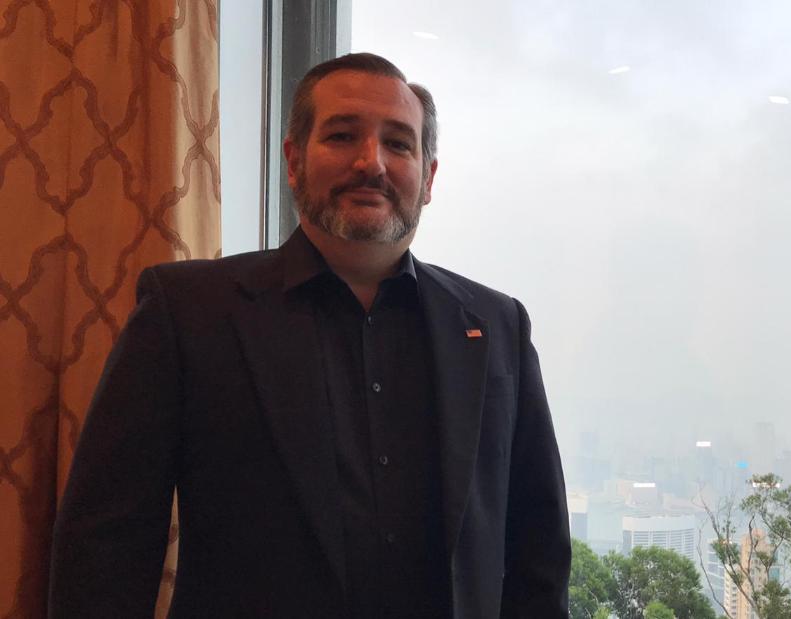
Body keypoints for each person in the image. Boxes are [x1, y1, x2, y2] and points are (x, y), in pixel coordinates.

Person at [48, 52, 571, 618]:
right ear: (294, 161)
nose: (371, 163)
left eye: (399, 144)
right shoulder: (187, 313)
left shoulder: (497, 327)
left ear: (428, 178)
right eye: (343, 136)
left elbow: (537, 551)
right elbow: (106, 544)